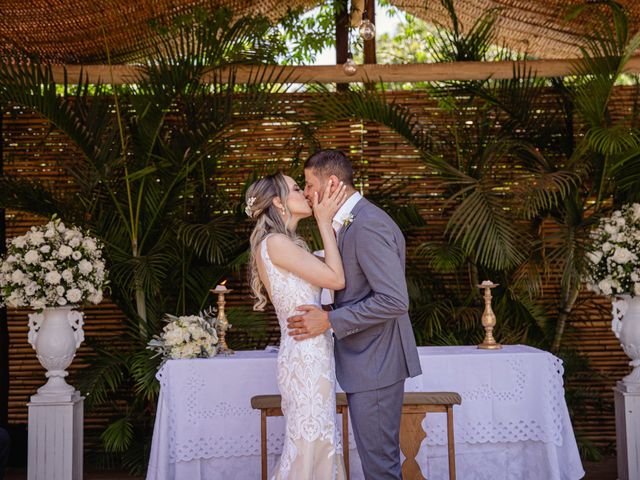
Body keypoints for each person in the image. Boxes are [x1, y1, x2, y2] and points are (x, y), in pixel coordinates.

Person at [287, 149, 422, 480]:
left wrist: (330, 321)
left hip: (376, 360)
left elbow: (394, 300)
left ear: (331, 183)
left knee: (380, 467)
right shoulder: (349, 223)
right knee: (377, 462)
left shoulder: (367, 225)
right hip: (367, 360)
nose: (305, 192)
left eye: (308, 184)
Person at [245, 172, 348, 479]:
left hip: (312, 352)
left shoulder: (287, 244)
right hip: (305, 356)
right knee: (309, 443)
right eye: (295, 189)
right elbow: (336, 279)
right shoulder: (275, 243)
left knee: (318, 441)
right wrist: (323, 221)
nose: (304, 192)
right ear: (278, 202)